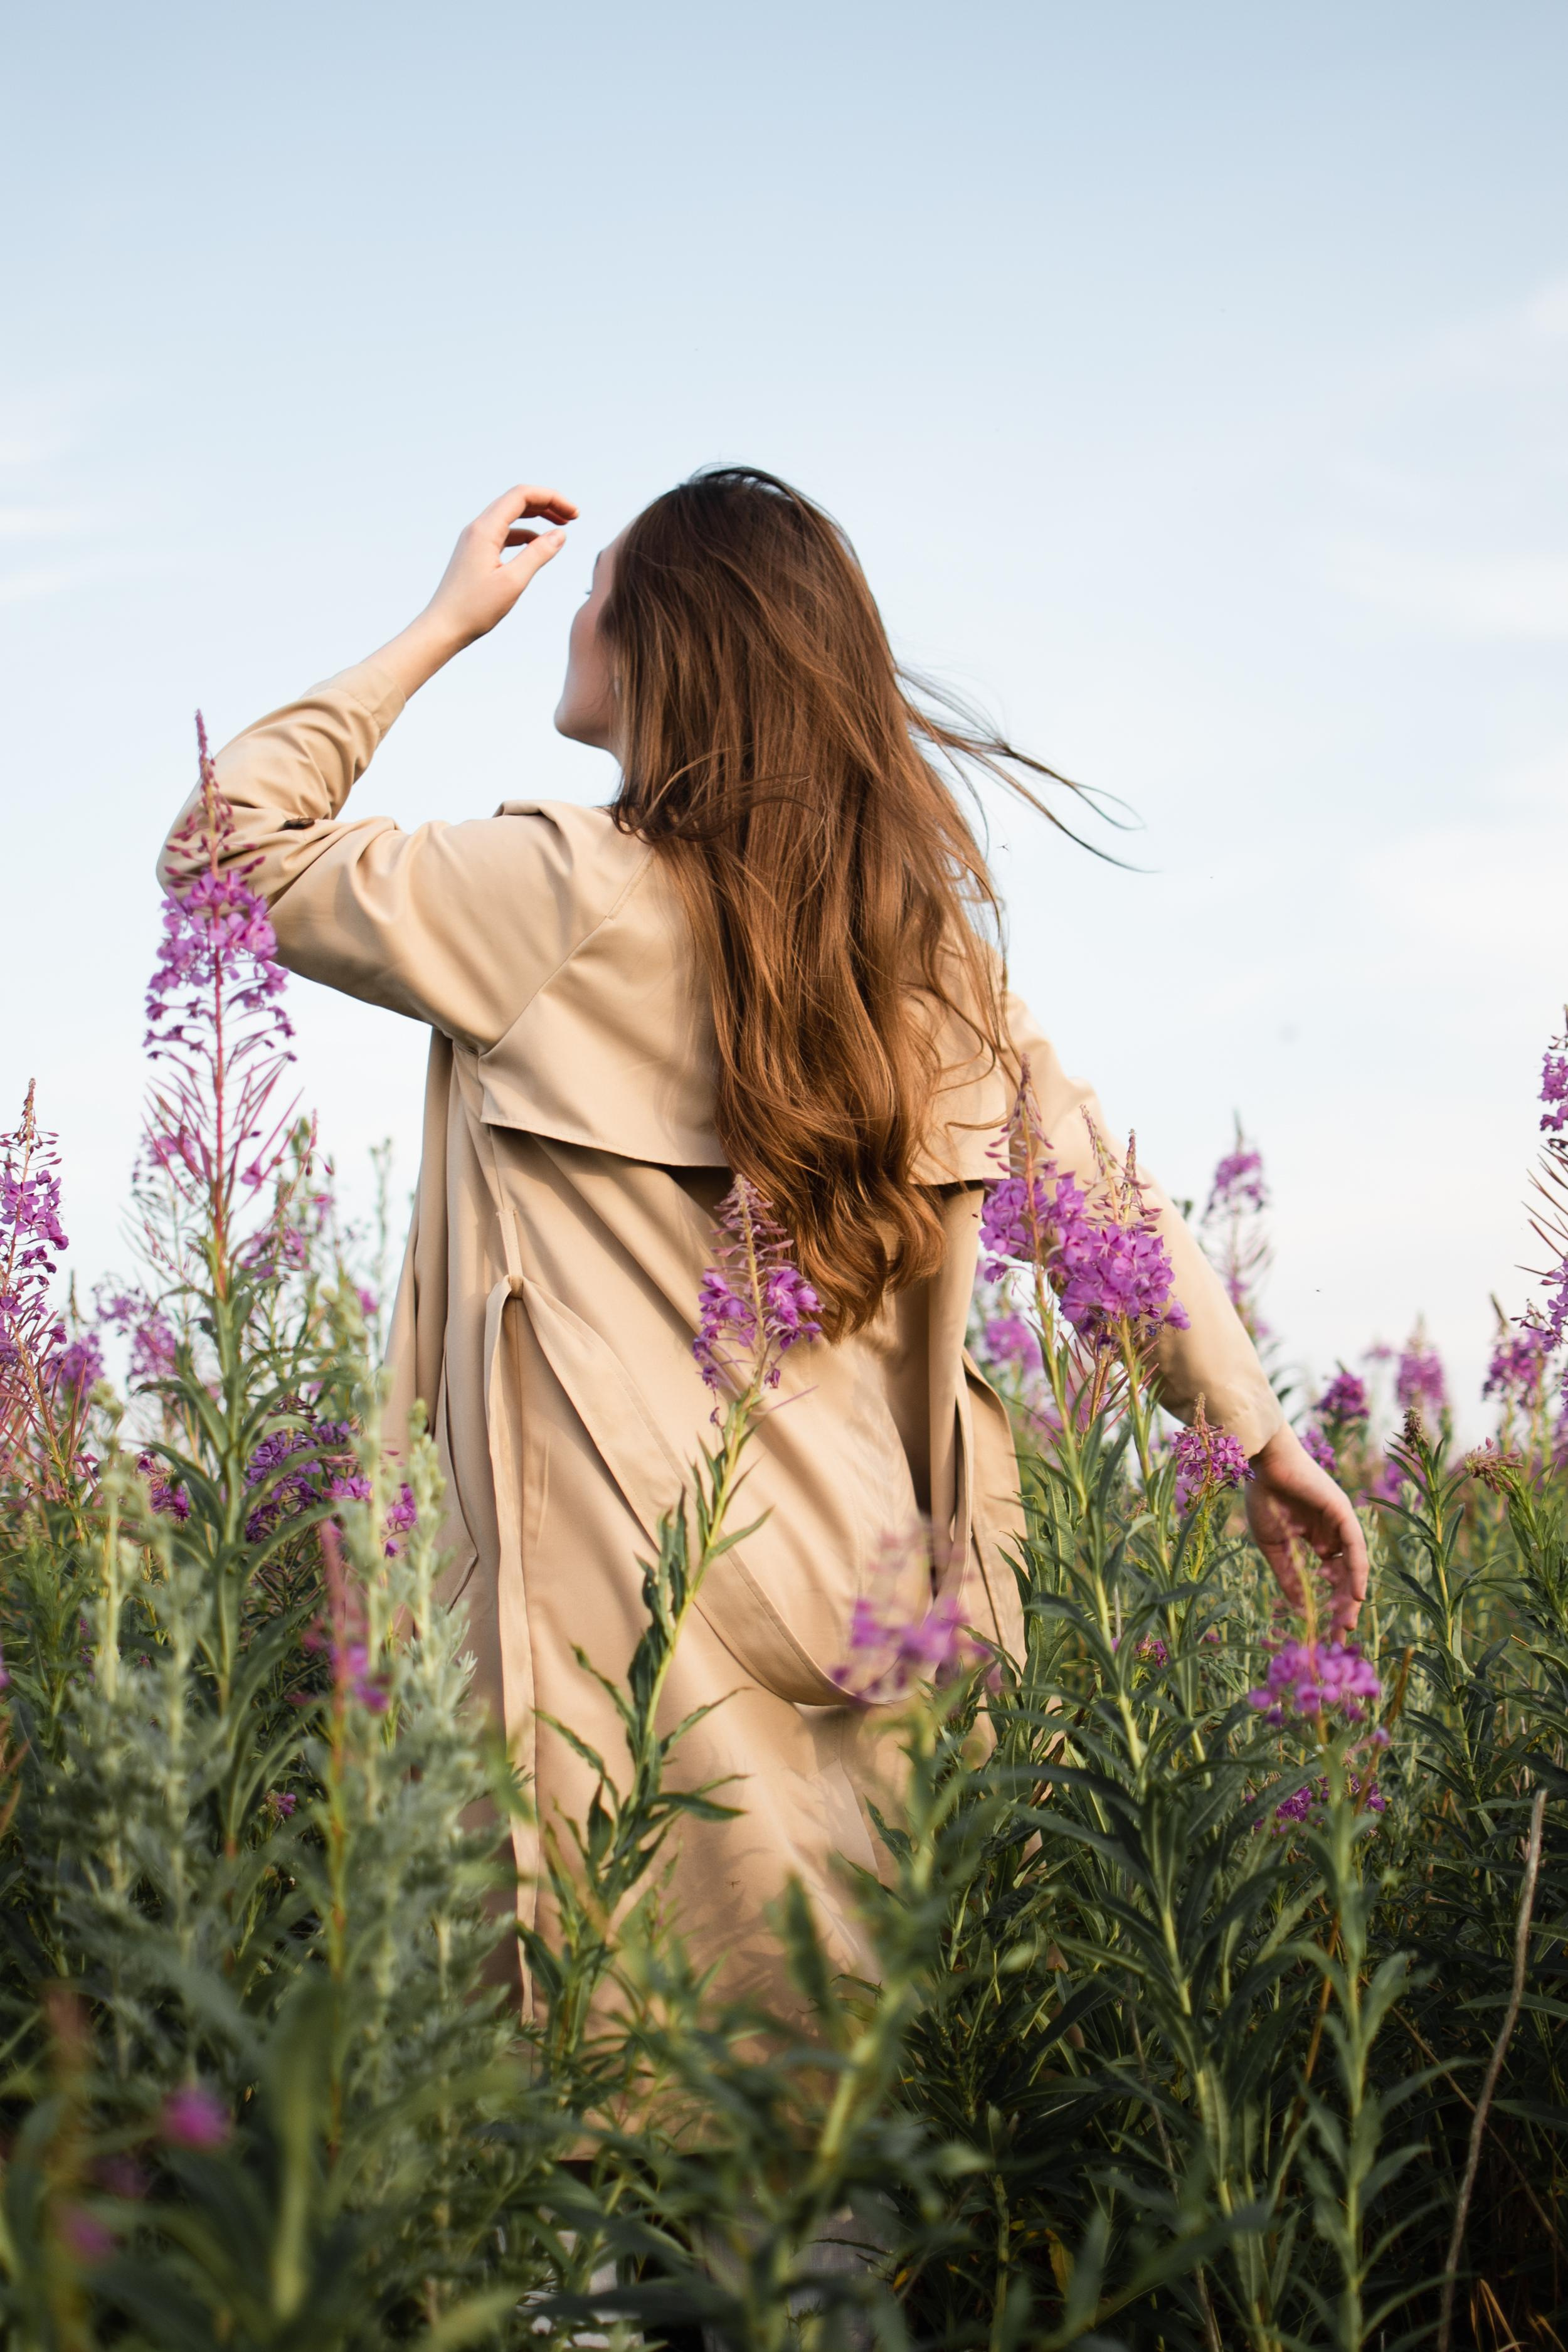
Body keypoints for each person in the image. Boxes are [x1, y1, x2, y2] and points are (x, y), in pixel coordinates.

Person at [161, 468, 1369, 2009]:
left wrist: (443, 625)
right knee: (841, 2130)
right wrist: (1256, 1436)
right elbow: (1107, 1209)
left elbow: (223, 846)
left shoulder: (552, 895)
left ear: (669, 645)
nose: (571, 609)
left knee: (601, 2135)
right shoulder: (925, 963)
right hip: (873, 1624)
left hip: (616, 1646)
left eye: (599, 588)